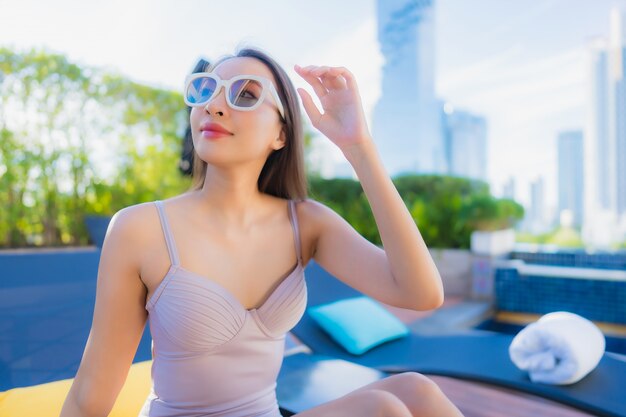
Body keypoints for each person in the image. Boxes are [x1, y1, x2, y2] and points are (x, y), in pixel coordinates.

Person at [59, 47, 464, 417]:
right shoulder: (140, 229)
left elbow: (421, 293)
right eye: (205, 90)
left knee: (415, 391)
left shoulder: (305, 223)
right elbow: (88, 400)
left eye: (245, 95)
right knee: (385, 411)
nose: (215, 106)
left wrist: (357, 145)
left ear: (280, 134)